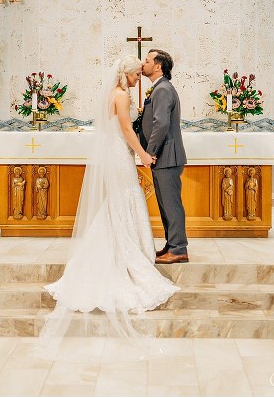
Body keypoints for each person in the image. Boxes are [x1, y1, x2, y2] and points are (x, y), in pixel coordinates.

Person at [38, 56, 179, 349]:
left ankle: (114, 244)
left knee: (117, 203)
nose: (138, 79)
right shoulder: (121, 96)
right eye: (135, 75)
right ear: (126, 74)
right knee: (126, 198)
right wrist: (143, 154)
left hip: (114, 153)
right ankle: (126, 250)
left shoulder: (111, 94)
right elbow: (126, 130)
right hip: (119, 155)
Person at [140, 49, 189, 264]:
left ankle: (179, 249)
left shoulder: (162, 89)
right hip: (164, 156)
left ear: (158, 66)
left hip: (166, 155)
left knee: (171, 204)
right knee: (164, 204)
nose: (143, 63)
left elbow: (160, 124)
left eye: (147, 60)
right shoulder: (160, 88)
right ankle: (171, 245)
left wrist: (150, 152)